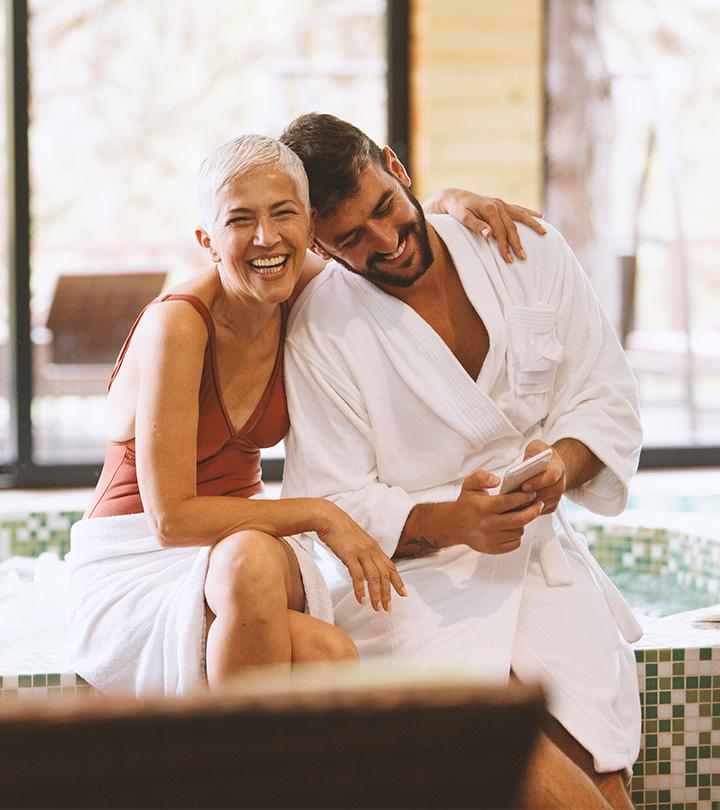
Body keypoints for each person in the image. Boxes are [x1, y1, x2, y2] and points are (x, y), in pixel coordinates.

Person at [65, 133, 541, 698]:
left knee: (316, 633)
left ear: (308, 232)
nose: (266, 237)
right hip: (143, 561)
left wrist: (448, 203)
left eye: (283, 214)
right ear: (207, 240)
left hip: (245, 558)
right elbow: (169, 521)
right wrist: (322, 514)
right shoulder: (180, 324)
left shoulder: (298, 288)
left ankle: (243, 784)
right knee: (319, 643)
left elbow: (377, 242)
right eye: (240, 221)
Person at [279, 113, 643, 809]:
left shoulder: (522, 250)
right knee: (502, 735)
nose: (385, 240)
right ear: (321, 246)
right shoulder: (322, 328)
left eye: (385, 207)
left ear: (396, 166)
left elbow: (609, 397)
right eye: (351, 238)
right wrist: (454, 522)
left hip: (539, 563)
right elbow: (334, 499)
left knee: (596, 762)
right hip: (412, 588)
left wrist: (562, 464)